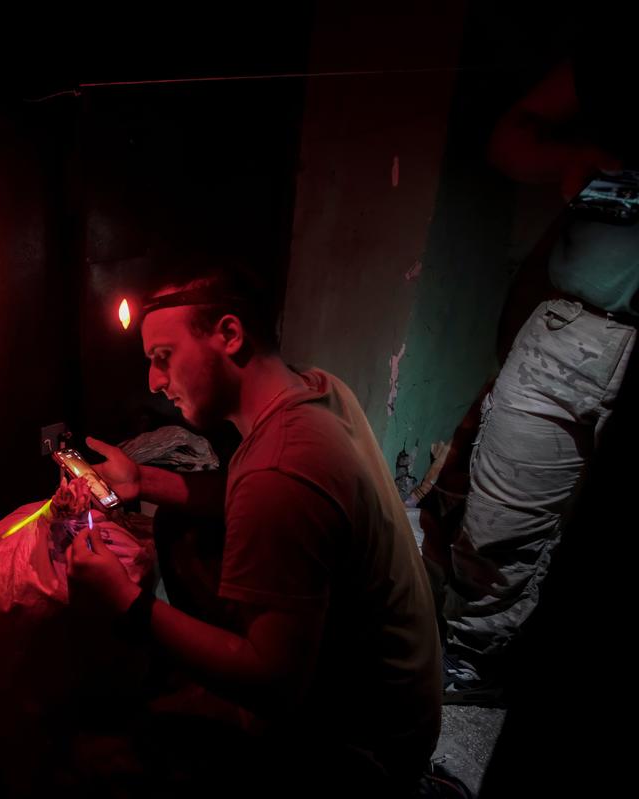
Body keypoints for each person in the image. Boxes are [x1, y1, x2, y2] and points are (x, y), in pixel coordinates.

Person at [66, 265, 441, 796]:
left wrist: (127, 602)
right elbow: (245, 491)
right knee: (182, 525)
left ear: (229, 334)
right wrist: (141, 480)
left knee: (99, 757)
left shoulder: (282, 465)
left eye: (162, 359)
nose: (153, 381)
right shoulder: (315, 389)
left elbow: (274, 681)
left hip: (368, 743)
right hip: (402, 706)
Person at [442, 50, 637, 699]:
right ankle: (473, 656)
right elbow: (512, 138)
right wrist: (575, 162)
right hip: (576, 323)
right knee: (498, 522)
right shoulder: (620, 59)